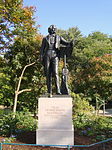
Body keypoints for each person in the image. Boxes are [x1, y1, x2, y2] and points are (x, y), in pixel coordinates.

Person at [40, 25, 72, 97]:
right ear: (49, 30)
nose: (53, 30)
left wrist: (71, 42)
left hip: (55, 55)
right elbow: (42, 49)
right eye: (51, 29)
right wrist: (41, 57)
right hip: (47, 55)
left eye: (54, 29)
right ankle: (49, 91)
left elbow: (66, 43)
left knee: (55, 72)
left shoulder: (58, 37)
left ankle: (58, 90)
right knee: (48, 73)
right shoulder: (45, 38)